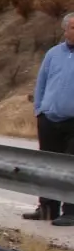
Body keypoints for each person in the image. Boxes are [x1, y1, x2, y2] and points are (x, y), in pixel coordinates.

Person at [24, 12, 74, 225]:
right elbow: (41, 83)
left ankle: (70, 210)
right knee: (47, 165)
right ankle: (46, 207)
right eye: (73, 27)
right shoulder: (53, 54)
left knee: (70, 167)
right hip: (49, 119)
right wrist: (39, 109)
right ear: (65, 30)